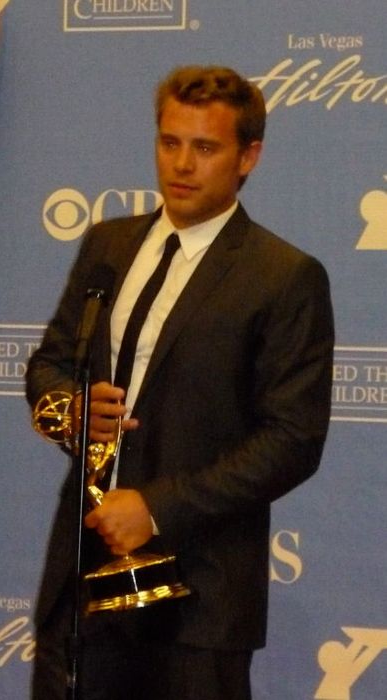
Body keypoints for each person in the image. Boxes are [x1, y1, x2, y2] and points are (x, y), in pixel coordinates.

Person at [26, 65, 335, 700]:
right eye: (170, 143)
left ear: (249, 156)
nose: (182, 165)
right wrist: (70, 410)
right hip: (83, 579)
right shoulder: (108, 244)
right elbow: (49, 365)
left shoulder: (284, 276)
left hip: (200, 601)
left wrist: (158, 509)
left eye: (206, 147)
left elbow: (293, 440)